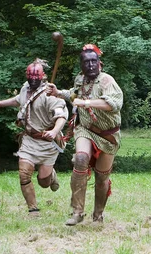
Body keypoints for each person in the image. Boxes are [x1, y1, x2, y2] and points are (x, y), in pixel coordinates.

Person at [46, 44, 123, 226]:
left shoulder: (107, 81)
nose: (90, 65)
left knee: (102, 178)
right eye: (86, 62)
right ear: (81, 65)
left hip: (108, 135)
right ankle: (77, 211)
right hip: (86, 129)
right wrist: (58, 93)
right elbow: (74, 95)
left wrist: (86, 102)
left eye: (93, 61)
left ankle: (98, 215)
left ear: (100, 63)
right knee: (80, 159)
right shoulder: (80, 80)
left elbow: (114, 104)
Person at [0, 59, 68, 216]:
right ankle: (33, 209)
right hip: (29, 140)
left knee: (43, 182)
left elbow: (61, 116)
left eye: (36, 77)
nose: (32, 80)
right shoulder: (25, 88)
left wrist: (54, 131)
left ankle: (50, 176)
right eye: (30, 77)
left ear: (42, 76)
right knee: (24, 174)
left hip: (48, 142)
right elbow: (19, 100)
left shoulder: (49, 93)